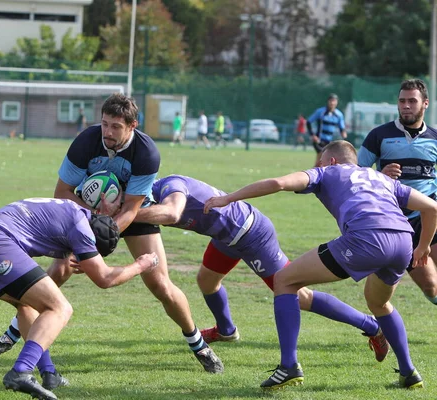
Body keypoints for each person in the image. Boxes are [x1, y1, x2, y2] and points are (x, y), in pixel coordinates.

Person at [0, 93, 224, 375]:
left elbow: (132, 208)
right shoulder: (87, 141)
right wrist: (90, 230)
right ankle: (12, 334)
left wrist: (93, 248)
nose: (107, 132)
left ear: (133, 125)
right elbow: (62, 193)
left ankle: (198, 343)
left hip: (131, 215)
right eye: (105, 124)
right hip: (84, 213)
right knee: (60, 270)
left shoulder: (146, 153)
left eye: (116, 127)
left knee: (160, 284)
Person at [204, 140, 435, 390]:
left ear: (332, 161)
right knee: (379, 302)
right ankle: (409, 372)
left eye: (321, 160)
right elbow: (432, 207)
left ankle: (288, 367)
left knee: (284, 281)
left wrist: (228, 198)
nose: (318, 165)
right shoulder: (379, 177)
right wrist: (422, 247)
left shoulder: (326, 172)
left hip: (365, 238)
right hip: (402, 241)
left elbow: (278, 183)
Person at [132, 174, 389, 361]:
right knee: (207, 280)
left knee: (299, 296)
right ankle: (226, 331)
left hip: (251, 233)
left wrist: (126, 214)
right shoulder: (150, 199)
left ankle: (372, 326)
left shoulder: (169, 186)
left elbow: (172, 212)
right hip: (226, 237)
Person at [0, 198, 158, 399]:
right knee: (59, 308)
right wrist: (141, 265)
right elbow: (104, 278)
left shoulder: (75, 211)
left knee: (26, 305)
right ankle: (21, 371)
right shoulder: (82, 229)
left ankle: (49, 373)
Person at [358, 79, 437, 306]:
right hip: (400, 221)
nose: (406, 106)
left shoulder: (434, 137)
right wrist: (380, 174)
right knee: (431, 285)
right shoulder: (379, 135)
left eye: (412, 101)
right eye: (402, 101)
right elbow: (356, 175)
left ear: (425, 104)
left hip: (431, 214)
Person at [307, 94, 347, 166]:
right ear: (328, 101)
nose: (332, 103)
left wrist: (343, 133)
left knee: (326, 161)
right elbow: (308, 122)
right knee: (321, 158)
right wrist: (312, 135)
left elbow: (342, 127)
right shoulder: (320, 112)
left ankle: (316, 173)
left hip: (330, 142)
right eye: (330, 101)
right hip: (319, 140)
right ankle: (313, 174)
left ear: (336, 102)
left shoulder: (339, 115)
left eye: (334, 101)